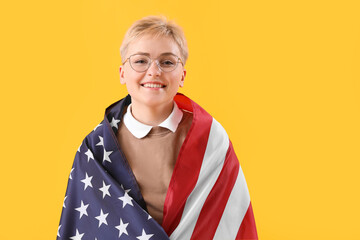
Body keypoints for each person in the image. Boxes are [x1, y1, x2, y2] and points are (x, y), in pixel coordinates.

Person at [58, 16, 258, 240]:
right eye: (141, 61)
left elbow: (230, 217)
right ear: (122, 73)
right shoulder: (95, 148)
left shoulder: (210, 138)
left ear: (182, 76)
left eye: (167, 62)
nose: (154, 71)